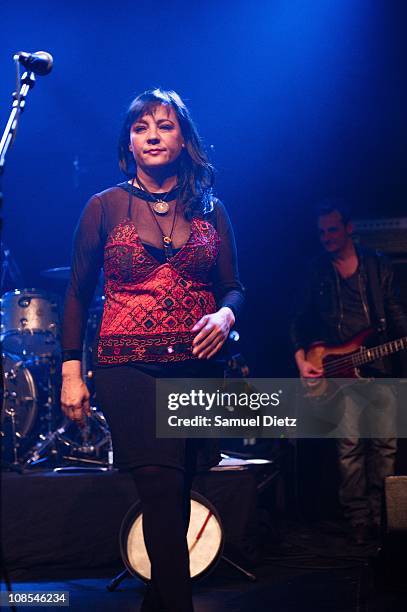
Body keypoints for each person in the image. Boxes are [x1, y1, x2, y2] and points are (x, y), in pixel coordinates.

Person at [61, 88, 244, 611]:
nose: (153, 135)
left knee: (179, 492)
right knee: (161, 489)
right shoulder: (104, 206)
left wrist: (226, 313)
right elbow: (76, 292)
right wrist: (72, 372)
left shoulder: (212, 208)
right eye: (142, 128)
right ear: (130, 143)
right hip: (128, 369)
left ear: (183, 138)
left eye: (164, 126)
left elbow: (235, 286)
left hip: (198, 368)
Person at [291, 200, 407, 544]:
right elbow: (297, 319)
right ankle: (359, 519)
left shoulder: (378, 266)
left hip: (380, 369)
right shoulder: (318, 272)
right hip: (338, 372)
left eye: (332, 229)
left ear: (349, 229)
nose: (326, 236)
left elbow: (396, 316)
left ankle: (383, 516)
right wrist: (303, 360)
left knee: (385, 447)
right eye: (322, 231)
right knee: (350, 448)